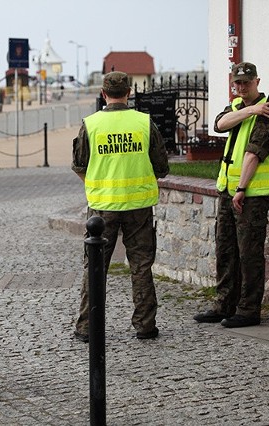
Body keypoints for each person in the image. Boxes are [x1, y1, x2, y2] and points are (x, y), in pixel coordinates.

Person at [71, 71, 169, 342]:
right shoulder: (144, 123)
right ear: (129, 93)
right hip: (139, 206)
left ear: (104, 94)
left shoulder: (91, 124)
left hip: (102, 209)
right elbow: (161, 167)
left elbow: (79, 165)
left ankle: (87, 327)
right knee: (141, 266)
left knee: (95, 268)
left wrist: (98, 184)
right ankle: (145, 325)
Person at [194, 62, 269, 328]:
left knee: (249, 253)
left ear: (257, 81)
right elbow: (219, 124)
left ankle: (249, 309)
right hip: (228, 191)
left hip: (251, 194)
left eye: (246, 82)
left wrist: (241, 189)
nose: (241, 87)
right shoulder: (239, 108)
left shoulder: (268, 113)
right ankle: (224, 304)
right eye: (237, 83)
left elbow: (253, 154)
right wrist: (250, 109)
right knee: (226, 249)